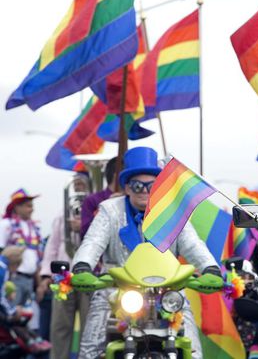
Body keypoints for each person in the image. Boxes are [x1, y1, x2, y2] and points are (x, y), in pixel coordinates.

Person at [71, 147, 222, 359]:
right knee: (93, 340)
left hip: (167, 289)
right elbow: (92, 242)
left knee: (190, 337)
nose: (144, 190)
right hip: (118, 289)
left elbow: (192, 243)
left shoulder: (173, 211)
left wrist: (210, 268)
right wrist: (82, 266)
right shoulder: (109, 210)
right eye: (137, 185)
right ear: (127, 188)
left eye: (151, 185)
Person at [39, 206, 89, 359]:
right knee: (60, 325)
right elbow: (52, 245)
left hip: (90, 276)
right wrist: (46, 275)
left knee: (88, 326)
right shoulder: (62, 213)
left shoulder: (96, 207)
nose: (79, 184)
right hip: (63, 275)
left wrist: (84, 227)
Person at [0, 246, 51, 354]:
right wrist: (13, 311)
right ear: (15, 263)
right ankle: (31, 341)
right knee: (14, 320)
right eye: (18, 266)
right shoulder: (3, 269)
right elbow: (1, 298)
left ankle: (33, 340)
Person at [0, 189, 43, 308]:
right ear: (17, 207)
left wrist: (39, 285)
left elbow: (37, 259)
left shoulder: (35, 228)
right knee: (8, 315)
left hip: (30, 281)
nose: (32, 209)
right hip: (12, 279)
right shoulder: (6, 224)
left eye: (32, 206)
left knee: (24, 319)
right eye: (28, 206)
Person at [80, 156, 119, 238]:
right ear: (116, 175)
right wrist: (109, 206)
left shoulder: (132, 199)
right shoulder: (91, 200)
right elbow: (85, 232)